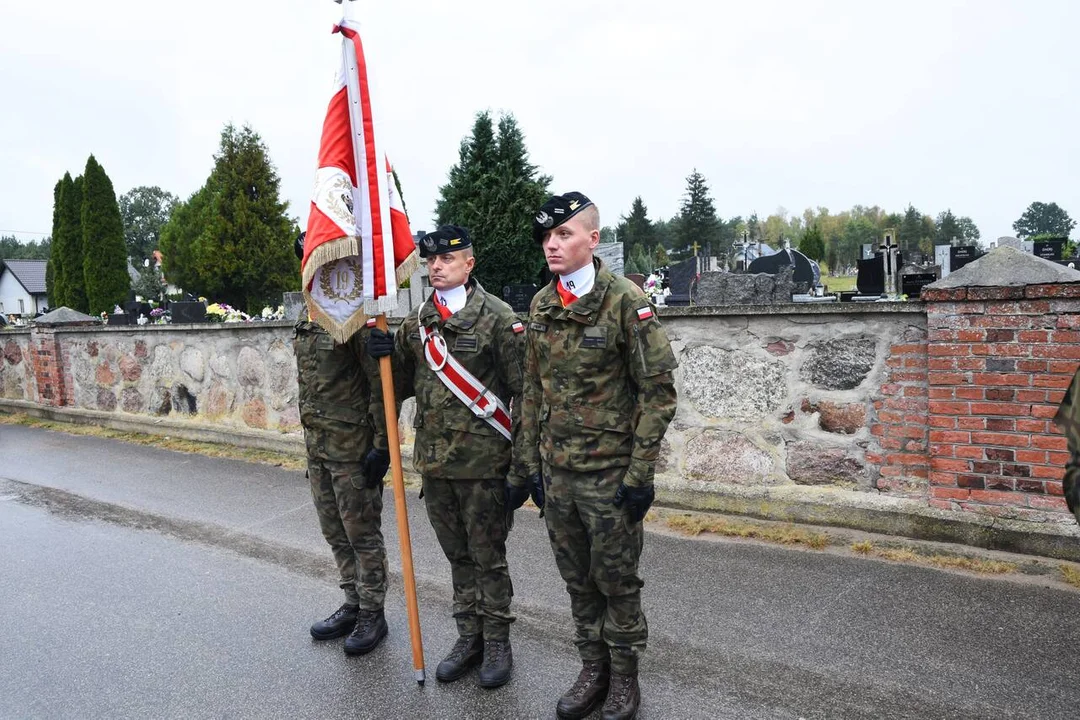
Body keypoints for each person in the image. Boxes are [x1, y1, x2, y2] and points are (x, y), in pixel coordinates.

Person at [512, 192, 678, 720]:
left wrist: (640, 474)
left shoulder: (626, 301)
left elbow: (658, 394)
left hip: (610, 477)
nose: (552, 245)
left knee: (617, 580)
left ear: (593, 239)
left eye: (563, 234)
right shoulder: (541, 305)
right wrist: (530, 467)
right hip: (558, 477)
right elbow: (532, 392)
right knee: (577, 579)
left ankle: (625, 677)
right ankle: (593, 668)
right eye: (546, 237)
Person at [367, 225, 526, 689]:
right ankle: (468, 636)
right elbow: (397, 382)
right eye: (431, 260)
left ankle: (497, 641)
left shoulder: (497, 318)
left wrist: (522, 468)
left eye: (447, 259)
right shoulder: (418, 323)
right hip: (435, 465)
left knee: (488, 558)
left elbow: (524, 394)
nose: (436, 266)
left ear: (469, 264)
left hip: (484, 466)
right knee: (457, 557)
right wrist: (380, 352)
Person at [293, 231, 392, 656]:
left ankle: (373, 612)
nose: (310, 266)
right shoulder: (309, 311)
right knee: (334, 532)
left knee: (361, 534)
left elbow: (378, 385)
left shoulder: (352, 315)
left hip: (353, 450)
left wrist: (382, 446)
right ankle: (352, 602)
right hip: (319, 448)